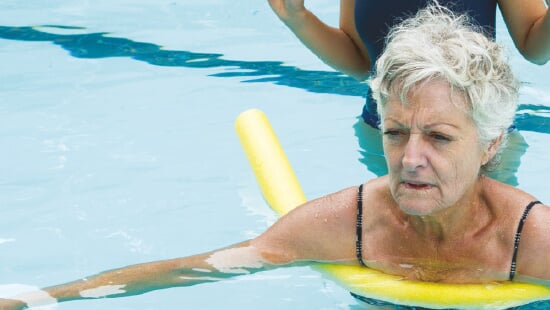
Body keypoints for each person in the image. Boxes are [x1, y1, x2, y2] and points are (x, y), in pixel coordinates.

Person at [2, 5, 550, 309]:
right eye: (395, 132)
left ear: (492, 144)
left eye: (439, 138)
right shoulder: (345, 224)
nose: (410, 159)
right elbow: (200, 267)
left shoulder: (530, 238)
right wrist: (39, 297)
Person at [268, 0, 550, 127]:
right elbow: (364, 62)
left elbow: (534, 47)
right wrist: (296, 17)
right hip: (386, 133)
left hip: (476, 138)